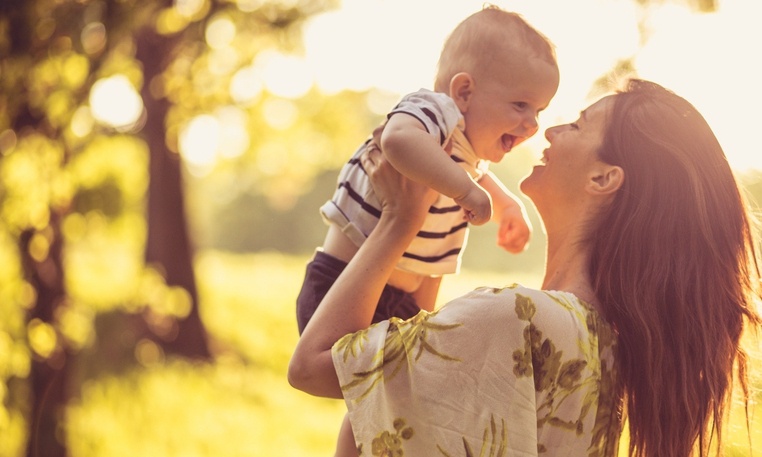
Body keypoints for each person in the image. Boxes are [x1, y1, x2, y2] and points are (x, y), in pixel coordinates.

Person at [289, 79, 762, 456]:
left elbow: (310, 368)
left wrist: (400, 221)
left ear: (603, 178)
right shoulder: (604, 347)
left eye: (577, 125)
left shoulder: (515, 321)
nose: (549, 131)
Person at [296, 6, 559, 333]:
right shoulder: (434, 109)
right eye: (521, 105)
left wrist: (507, 206)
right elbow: (398, 139)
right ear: (464, 92)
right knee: (351, 375)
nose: (532, 124)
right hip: (340, 283)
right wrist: (466, 191)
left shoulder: (465, 152)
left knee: (392, 382)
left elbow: (476, 174)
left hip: (400, 301)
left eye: (539, 110)